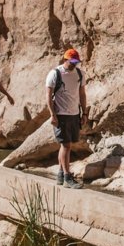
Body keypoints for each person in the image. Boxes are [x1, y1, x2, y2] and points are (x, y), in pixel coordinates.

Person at [45, 48, 88, 189]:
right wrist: (52, 114)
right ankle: (67, 178)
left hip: (74, 114)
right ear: (65, 59)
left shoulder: (80, 74)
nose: (74, 64)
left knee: (65, 146)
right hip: (60, 114)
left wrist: (84, 113)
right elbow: (48, 96)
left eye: (76, 62)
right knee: (66, 145)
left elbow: (82, 94)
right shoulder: (55, 74)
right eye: (72, 62)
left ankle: (60, 174)